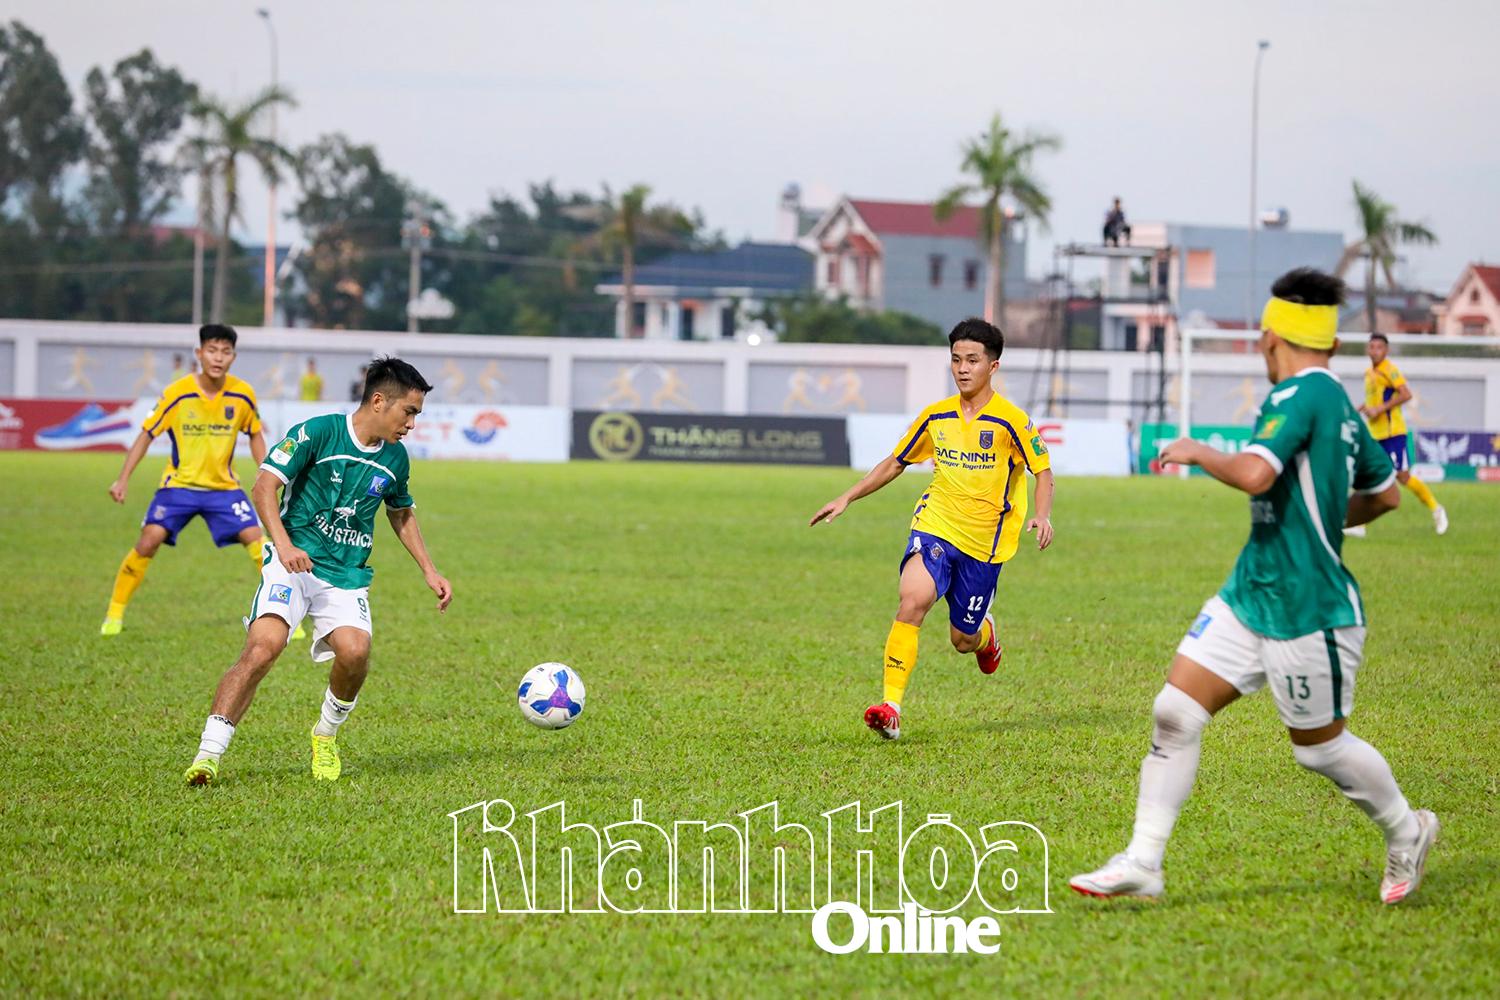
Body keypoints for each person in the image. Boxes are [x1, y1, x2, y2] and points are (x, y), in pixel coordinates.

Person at [1069, 269, 1437, 905]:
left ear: (1270, 338)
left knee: (1320, 750)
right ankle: (1143, 862)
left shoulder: (1297, 394)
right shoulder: (1341, 406)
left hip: (1310, 606)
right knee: (1175, 712)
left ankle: (1408, 830)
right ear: (1332, 343)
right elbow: (1385, 496)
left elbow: (1255, 474)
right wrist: (1321, 515)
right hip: (1251, 592)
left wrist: (1196, 450)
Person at [183, 356, 453, 786]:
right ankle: (207, 756)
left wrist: (429, 570)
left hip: (345, 573)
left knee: (356, 653)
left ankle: (325, 734)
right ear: (378, 401)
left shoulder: (396, 459)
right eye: (409, 412)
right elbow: (264, 486)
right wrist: (284, 544)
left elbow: (400, 512)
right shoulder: (318, 432)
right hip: (292, 563)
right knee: (263, 648)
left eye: (416, 415)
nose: (411, 424)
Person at [810, 318, 1055, 740]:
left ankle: (986, 637)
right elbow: (896, 462)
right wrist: (848, 496)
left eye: (972, 360)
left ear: (992, 366)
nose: (963, 368)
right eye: (956, 360)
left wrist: (1043, 514)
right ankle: (891, 708)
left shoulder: (1012, 421)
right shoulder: (936, 416)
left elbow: (1043, 470)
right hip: (936, 525)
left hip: (985, 544)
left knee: (962, 638)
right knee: (913, 599)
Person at [102, 325, 286, 636]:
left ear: (233, 357)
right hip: (179, 487)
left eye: (225, 352)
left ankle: (282, 614)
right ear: (199, 354)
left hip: (224, 489)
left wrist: (265, 473)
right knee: (148, 541)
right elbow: (147, 434)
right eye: (212, 351)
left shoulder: (243, 393)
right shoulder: (178, 392)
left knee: (261, 542)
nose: (218, 358)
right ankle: (114, 615)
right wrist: (122, 479)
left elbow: (255, 433)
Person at [1359, 333, 1447, 535]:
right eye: (1371, 347)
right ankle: (1359, 524)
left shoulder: (1390, 370)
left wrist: (1379, 409)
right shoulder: (1368, 373)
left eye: (1379, 347)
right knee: (1367, 473)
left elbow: (1406, 394)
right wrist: (1362, 408)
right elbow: (1375, 400)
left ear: (1386, 350)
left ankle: (1436, 509)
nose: (1374, 351)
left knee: (1403, 477)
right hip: (1375, 434)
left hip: (1393, 433)